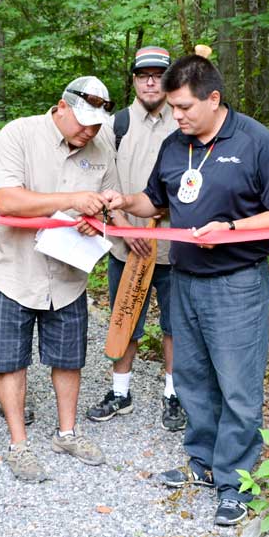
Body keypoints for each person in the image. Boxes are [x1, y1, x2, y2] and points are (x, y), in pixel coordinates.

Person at [104, 55, 269, 526]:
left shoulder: (255, 141)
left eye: (185, 107)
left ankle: (235, 482)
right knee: (192, 379)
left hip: (237, 284)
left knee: (237, 386)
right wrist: (124, 201)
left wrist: (232, 226)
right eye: (173, 108)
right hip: (185, 279)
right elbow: (156, 201)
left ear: (214, 100)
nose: (177, 116)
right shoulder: (176, 145)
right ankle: (203, 463)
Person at [0, 76, 120, 483]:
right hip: (13, 271)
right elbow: (6, 200)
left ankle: (67, 433)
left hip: (68, 275)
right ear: (61, 106)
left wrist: (99, 221)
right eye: (83, 123)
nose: (89, 132)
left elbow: (110, 206)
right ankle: (18, 444)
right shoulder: (19, 134)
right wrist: (71, 201)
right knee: (9, 360)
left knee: (68, 356)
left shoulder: (101, 146)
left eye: (96, 125)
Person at [86, 46, 184, 432]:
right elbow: (102, 180)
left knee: (176, 327)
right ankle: (120, 392)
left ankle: (174, 395)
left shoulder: (183, 121)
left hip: (175, 247)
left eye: (158, 74)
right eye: (142, 74)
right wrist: (126, 225)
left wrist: (160, 219)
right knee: (125, 319)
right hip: (127, 246)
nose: (149, 81)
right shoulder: (117, 125)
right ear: (133, 80)